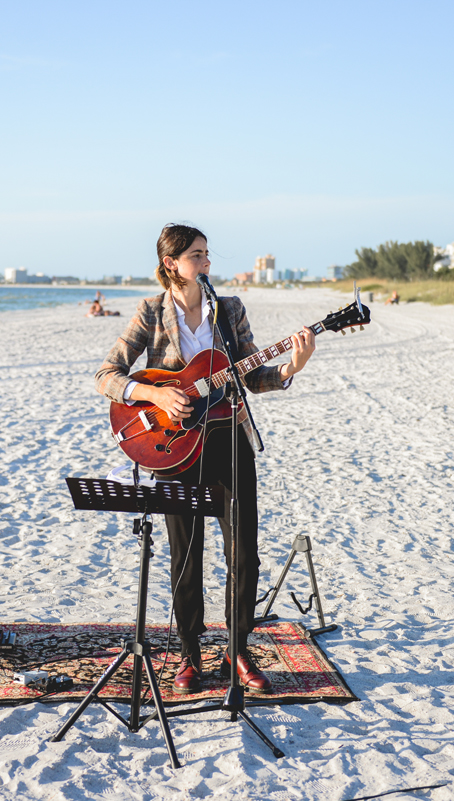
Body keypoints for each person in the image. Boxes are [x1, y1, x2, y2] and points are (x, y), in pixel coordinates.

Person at [94, 224, 315, 695]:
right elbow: (106, 375)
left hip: (229, 443)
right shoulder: (151, 312)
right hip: (174, 450)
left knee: (245, 555)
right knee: (185, 555)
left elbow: (254, 375)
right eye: (197, 255)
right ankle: (190, 654)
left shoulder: (228, 310)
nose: (207, 263)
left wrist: (292, 367)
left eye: (208, 254)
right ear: (172, 263)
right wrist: (157, 392)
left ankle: (237, 650)